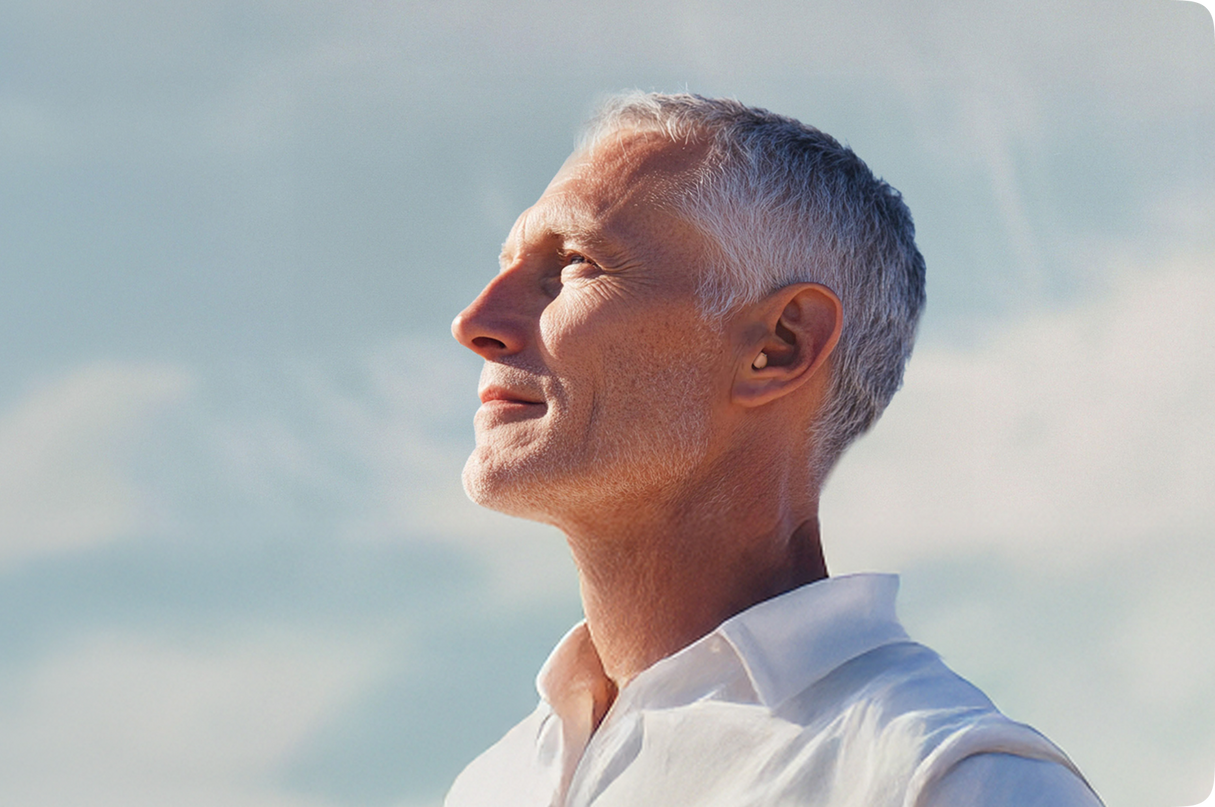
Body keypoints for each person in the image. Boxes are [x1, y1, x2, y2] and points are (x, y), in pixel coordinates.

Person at [443, 92, 1101, 807]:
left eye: (573, 264)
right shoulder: (492, 783)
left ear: (779, 345)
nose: (476, 322)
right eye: (505, 265)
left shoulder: (947, 777)